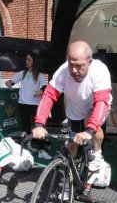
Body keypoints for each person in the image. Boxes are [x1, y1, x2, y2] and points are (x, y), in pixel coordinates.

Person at [32, 40, 112, 181]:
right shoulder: (63, 72)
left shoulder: (100, 71)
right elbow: (48, 96)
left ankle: (97, 153)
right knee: (72, 147)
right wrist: (39, 124)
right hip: (75, 111)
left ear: (89, 61)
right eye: (71, 65)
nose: (74, 70)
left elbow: (101, 103)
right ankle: (70, 180)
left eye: (79, 66)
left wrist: (89, 131)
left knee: (90, 122)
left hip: (95, 108)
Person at [5, 52, 52, 159]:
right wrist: (8, 84)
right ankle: (22, 152)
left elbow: (45, 87)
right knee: (25, 128)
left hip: (35, 105)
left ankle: (41, 151)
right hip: (23, 104)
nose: (26, 61)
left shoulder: (39, 75)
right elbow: (10, 82)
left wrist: (41, 91)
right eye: (26, 59)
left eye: (29, 60)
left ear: (34, 62)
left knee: (38, 128)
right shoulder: (22, 73)